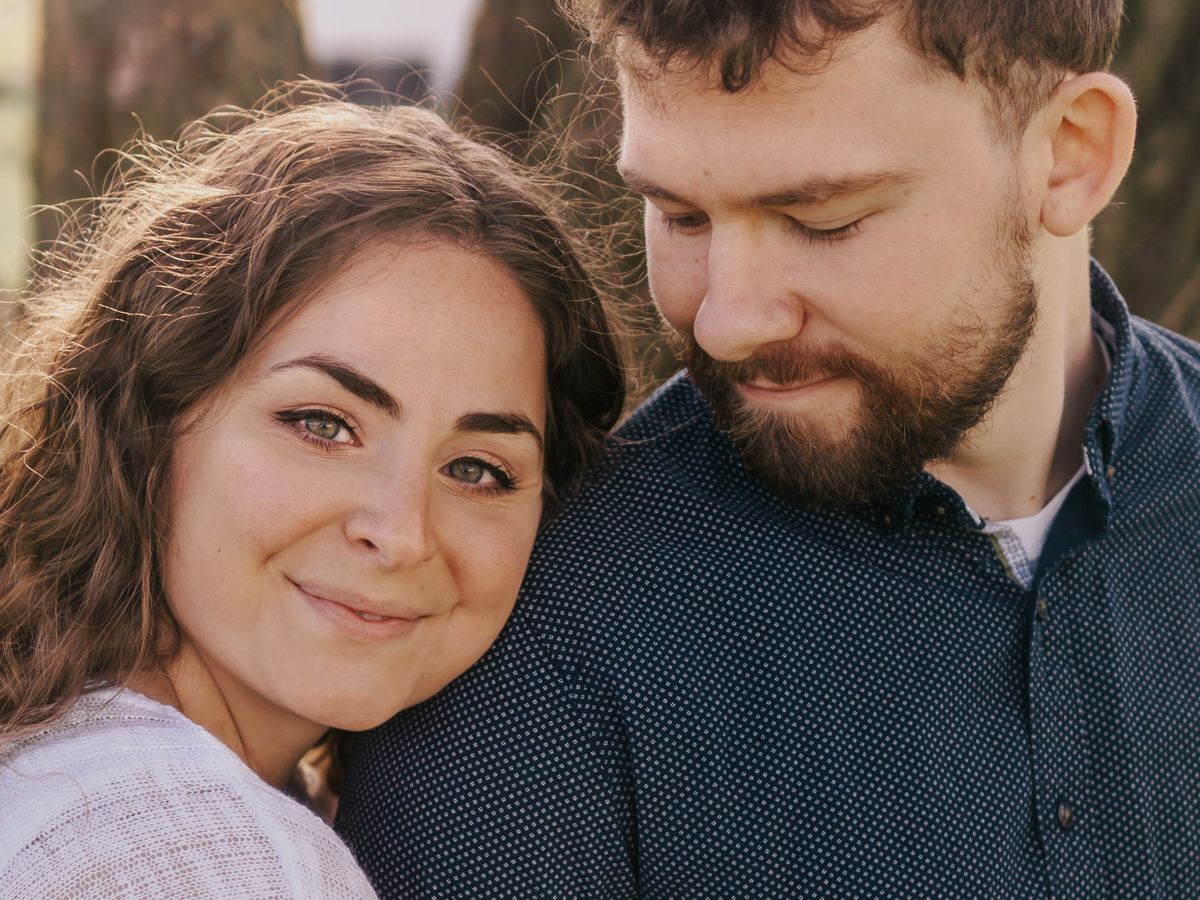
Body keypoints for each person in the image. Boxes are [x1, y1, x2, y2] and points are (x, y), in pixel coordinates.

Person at [335, 2, 1200, 897]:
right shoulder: (536, 634)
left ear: (1070, 153)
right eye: (681, 216)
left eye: (822, 220)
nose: (727, 322)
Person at [0, 87, 624, 898]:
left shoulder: (59, 762)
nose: (401, 533)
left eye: (477, 470)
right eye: (322, 425)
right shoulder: (217, 859)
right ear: (150, 418)